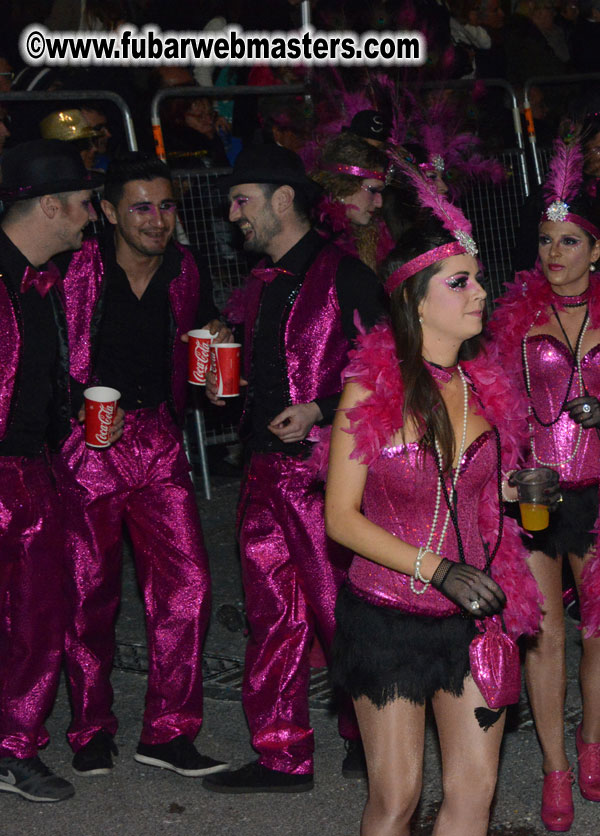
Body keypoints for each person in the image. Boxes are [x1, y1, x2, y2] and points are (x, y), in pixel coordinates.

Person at [324, 190, 541, 836]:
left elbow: (468, 497)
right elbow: (340, 516)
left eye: (478, 278)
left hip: (473, 619)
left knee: (474, 795)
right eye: (461, 281)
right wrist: (436, 567)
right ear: (417, 300)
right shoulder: (371, 391)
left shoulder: (483, 386)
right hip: (387, 619)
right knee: (397, 799)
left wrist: (512, 491)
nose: (480, 291)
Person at [488, 141, 600, 832]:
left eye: (569, 241)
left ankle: (591, 740)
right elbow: (496, 398)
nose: (554, 253)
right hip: (535, 494)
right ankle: (554, 766)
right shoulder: (513, 314)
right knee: (542, 633)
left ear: (596, 250)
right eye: (545, 240)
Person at [202, 146, 384, 792]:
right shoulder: (261, 283)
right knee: (270, 613)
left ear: (284, 200)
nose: (231, 216)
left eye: (241, 200)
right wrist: (231, 389)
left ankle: (374, 734)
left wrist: (320, 409)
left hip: (325, 475)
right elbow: (269, 368)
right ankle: (282, 755)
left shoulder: (347, 276)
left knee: (343, 613)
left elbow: (394, 373)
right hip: (264, 473)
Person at [55, 154, 229, 780]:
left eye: (166, 206)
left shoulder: (184, 268)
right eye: (140, 207)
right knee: (87, 592)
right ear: (107, 212)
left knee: (188, 583)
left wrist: (210, 367)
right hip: (88, 443)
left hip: (157, 438)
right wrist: (68, 408)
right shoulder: (74, 268)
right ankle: (90, 728)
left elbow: (202, 332)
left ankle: (169, 732)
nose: (157, 220)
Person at [0, 140, 101, 803]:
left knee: (36, 616)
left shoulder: (41, 281)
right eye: (86, 203)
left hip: (29, 468)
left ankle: (12, 747)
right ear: (50, 206)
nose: (93, 216)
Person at [310, 132, 394, 272]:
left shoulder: (371, 235)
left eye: (381, 192)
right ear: (343, 185)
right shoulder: (308, 238)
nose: (379, 203)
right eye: (373, 190)